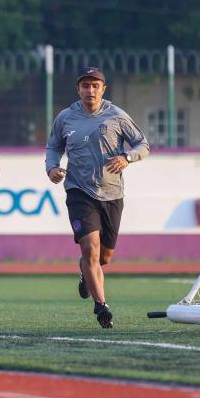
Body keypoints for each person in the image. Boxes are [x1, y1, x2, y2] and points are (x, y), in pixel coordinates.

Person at [46, 66, 150, 329]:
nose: (90, 90)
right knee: (89, 249)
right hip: (79, 192)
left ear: (103, 89)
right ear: (78, 89)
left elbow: (143, 144)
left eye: (95, 86)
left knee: (103, 258)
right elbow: (54, 146)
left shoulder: (117, 115)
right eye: (85, 85)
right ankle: (101, 306)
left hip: (112, 194)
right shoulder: (66, 117)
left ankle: (85, 272)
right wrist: (52, 167)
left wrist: (127, 157)